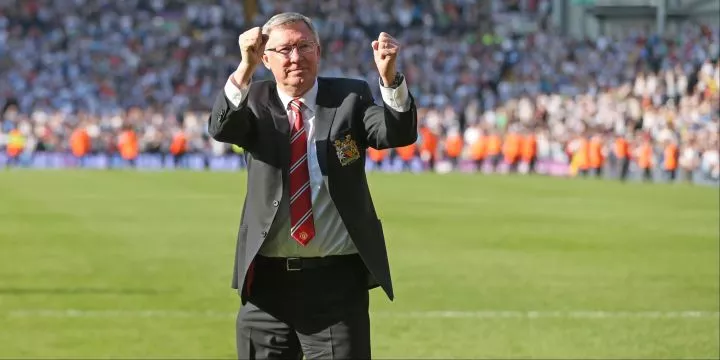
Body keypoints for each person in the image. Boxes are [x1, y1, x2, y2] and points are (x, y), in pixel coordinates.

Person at [207, 12, 417, 359]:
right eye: (284, 49)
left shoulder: (350, 97)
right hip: (266, 289)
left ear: (318, 51)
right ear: (266, 57)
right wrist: (244, 69)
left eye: (304, 46)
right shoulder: (256, 101)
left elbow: (396, 132)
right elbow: (221, 127)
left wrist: (390, 77)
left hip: (335, 286)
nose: (295, 57)